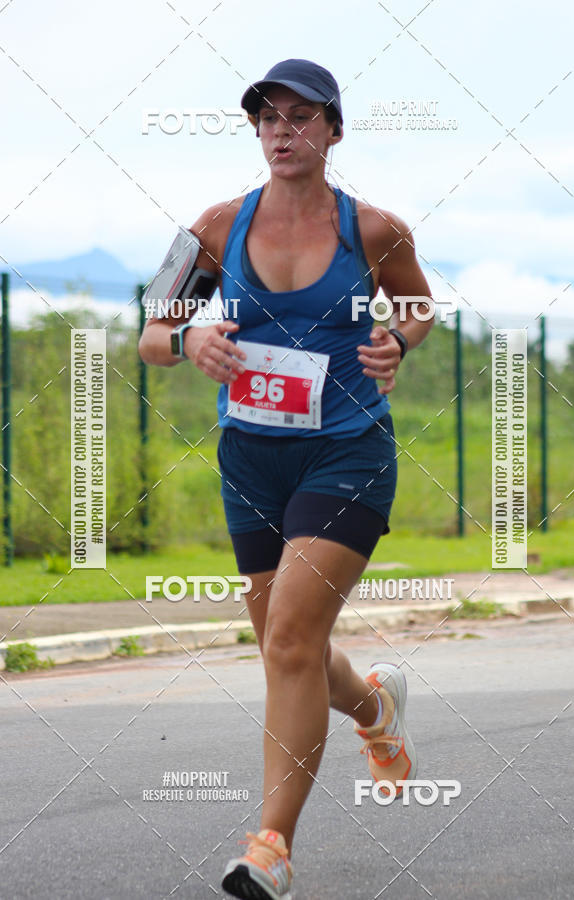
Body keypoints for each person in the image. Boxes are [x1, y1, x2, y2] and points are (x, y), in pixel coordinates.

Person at [139, 58, 434, 900]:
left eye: (302, 116)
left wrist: (396, 341)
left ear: (333, 131)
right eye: (269, 117)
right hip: (251, 459)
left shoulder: (374, 230)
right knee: (285, 643)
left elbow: (418, 306)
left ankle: (271, 847)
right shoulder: (213, 227)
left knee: (291, 643)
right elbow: (150, 331)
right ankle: (375, 708)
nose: (283, 130)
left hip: (347, 452)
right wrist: (188, 339)